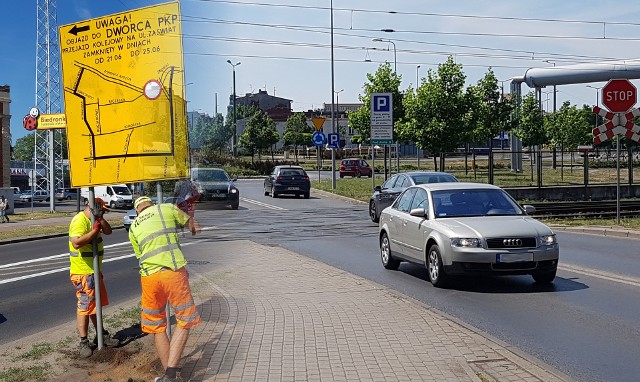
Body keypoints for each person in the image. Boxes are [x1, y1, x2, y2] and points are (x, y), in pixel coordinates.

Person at [128, 196, 201, 382]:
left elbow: (140, 254)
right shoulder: (166, 208)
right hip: (172, 272)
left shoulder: (134, 226)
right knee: (185, 321)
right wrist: (190, 216)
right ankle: (170, 375)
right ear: (151, 204)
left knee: (157, 327)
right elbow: (194, 228)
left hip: (149, 279)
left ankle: (171, 376)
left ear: (137, 210)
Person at [68, 197, 119, 358]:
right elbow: (76, 243)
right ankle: (83, 341)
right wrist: (94, 231)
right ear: (91, 207)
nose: (103, 212)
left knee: (95, 305)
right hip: (83, 272)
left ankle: (101, 334)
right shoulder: (80, 220)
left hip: (94, 270)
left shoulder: (96, 218)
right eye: (101, 210)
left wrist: (100, 219)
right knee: (85, 306)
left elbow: (109, 231)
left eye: (103, 211)